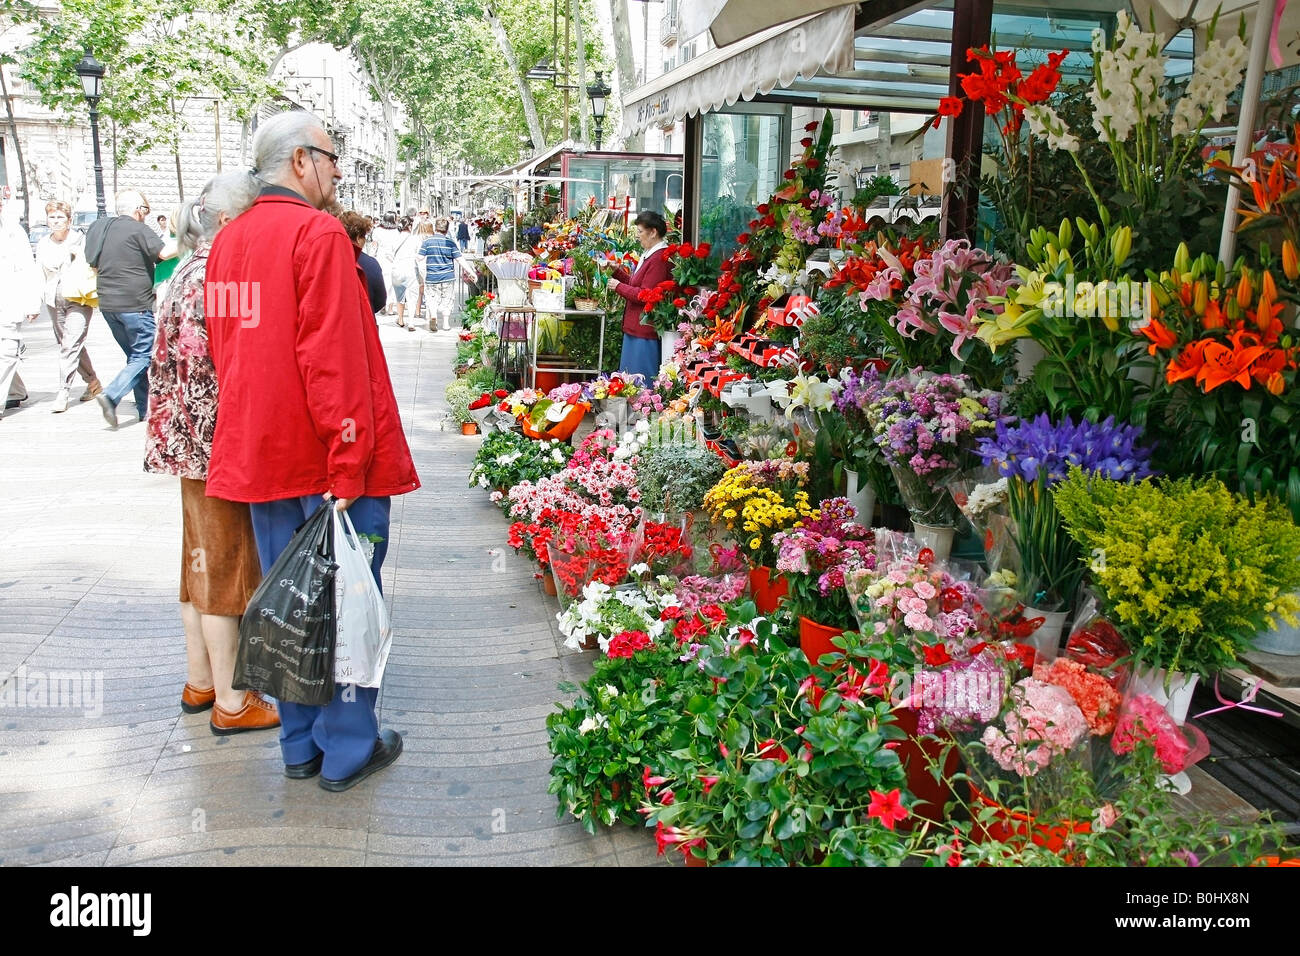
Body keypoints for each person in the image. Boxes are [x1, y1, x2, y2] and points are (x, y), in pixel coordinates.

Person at [205, 109, 420, 791]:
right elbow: (333, 361)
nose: (336, 172)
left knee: (286, 602)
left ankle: (299, 743)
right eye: (332, 158)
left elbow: (227, 350)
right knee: (347, 599)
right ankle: (347, 747)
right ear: (300, 161)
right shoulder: (316, 234)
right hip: (323, 461)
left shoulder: (227, 241)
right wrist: (350, 459)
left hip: (259, 452)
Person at [144, 171, 280, 736]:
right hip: (216, 448)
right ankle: (232, 699)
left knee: (197, 564)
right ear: (227, 221)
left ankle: (200, 680)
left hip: (182, 443)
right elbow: (241, 370)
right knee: (224, 569)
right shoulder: (223, 278)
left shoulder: (183, 273)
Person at [85, 189, 173, 429]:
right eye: (145, 210)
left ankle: (145, 409)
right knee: (144, 356)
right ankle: (112, 395)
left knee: (135, 357)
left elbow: (93, 266)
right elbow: (164, 253)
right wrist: (191, 241)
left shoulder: (101, 229)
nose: (145, 215)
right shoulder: (137, 228)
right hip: (135, 305)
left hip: (108, 305)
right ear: (137, 210)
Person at [34, 200, 102, 413]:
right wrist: (34, 303)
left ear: (69, 220)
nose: (56, 221)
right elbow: (39, 274)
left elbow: (94, 265)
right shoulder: (43, 243)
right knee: (69, 343)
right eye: (52, 217)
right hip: (53, 299)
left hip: (79, 298)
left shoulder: (80, 240)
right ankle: (92, 382)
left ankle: (63, 391)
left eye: (60, 217)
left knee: (70, 344)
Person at [607, 210, 671, 383]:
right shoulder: (650, 254)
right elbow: (636, 284)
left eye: (640, 232)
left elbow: (645, 294)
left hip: (644, 330)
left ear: (653, 232)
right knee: (630, 381)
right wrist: (617, 273)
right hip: (636, 327)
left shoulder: (658, 259)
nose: (638, 237)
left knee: (640, 381)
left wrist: (618, 287)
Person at [0, 191, 41, 419]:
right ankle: (15, 390)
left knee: (6, 350)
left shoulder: (14, 231)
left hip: (8, 300)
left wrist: (32, 303)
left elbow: (27, 267)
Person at [338, 210, 387, 316]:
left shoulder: (329, 259)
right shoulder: (370, 264)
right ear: (358, 237)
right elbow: (380, 300)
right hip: (364, 321)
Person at [418, 217, 461, 332]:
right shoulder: (450, 243)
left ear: (435, 228)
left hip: (432, 276)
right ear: (447, 230)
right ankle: (446, 323)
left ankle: (433, 316)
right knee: (447, 299)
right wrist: (471, 273)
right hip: (447, 276)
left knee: (432, 298)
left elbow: (420, 257)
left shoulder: (427, 242)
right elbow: (459, 259)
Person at [391, 216, 423, 330]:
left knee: (399, 296)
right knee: (412, 296)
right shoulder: (415, 239)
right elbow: (420, 256)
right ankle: (411, 322)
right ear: (410, 226)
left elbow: (389, 255)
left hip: (397, 269)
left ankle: (400, 319)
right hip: (410, 268)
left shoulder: (395, 238)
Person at [370, 211, 402, 314]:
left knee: (382, 281)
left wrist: (371, 257)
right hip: (392, 258)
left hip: (380, 257)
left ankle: (383, 304)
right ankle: (391, 307)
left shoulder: (377, 231)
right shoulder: (396, 232)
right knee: (391, 282)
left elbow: (374, 246)